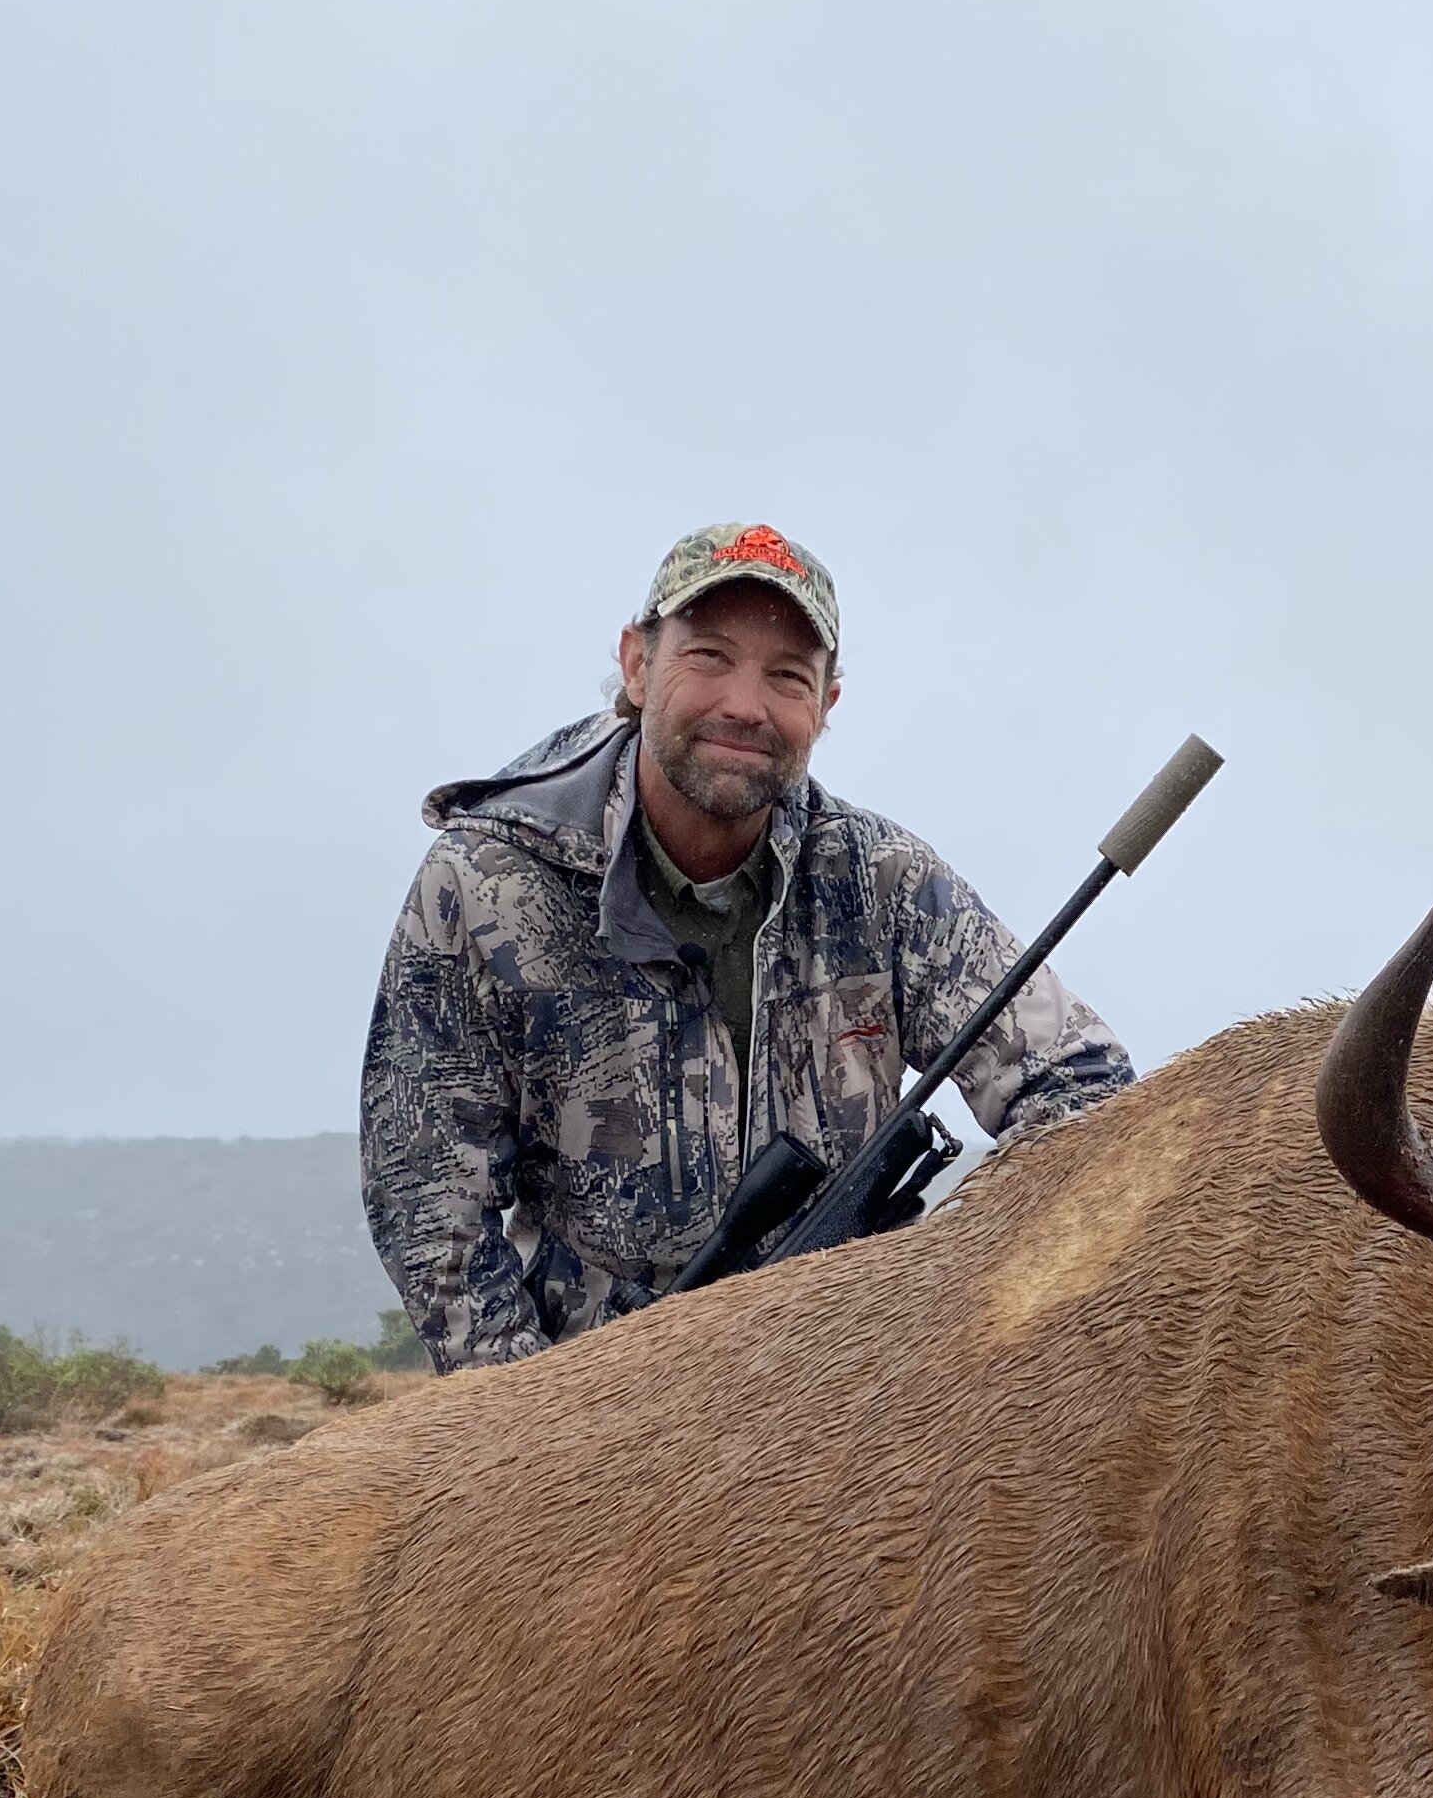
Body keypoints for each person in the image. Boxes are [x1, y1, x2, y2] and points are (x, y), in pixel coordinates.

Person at [364, 521, 1136, 1371]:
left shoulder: (883, 880)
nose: (745, 705)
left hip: (853, 1382)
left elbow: (1081, 1082)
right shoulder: (483, 887)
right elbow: (430, 1202)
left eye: (787, 677)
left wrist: (955, 1279)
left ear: (826, 706)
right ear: (635, 663)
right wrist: (527, 1431)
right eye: (708, 658)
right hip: (585, 1406)